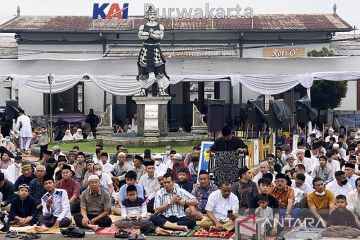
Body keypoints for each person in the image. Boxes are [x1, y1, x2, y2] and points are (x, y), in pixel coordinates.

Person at [136, 6, 169, 97]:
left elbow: (160, 37)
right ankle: (142, 90)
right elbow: (141, 37)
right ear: (148, 15)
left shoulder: (160, 26)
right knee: (143, 70)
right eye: (151, 14)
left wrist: (148, 34)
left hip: (156, 50)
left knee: (159, 70)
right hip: (145, 50)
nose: (152, 15)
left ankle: (161, 90)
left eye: (154, 14)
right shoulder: (142, 26)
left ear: (156, 15)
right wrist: (153, 34)